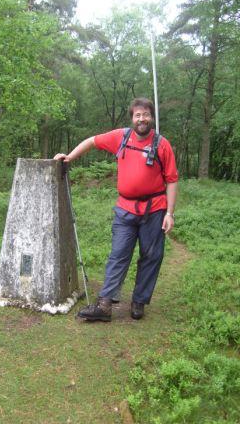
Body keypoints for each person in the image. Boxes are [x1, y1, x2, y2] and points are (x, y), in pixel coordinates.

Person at [54, 98, 178, 321]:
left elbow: (172, 180)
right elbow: (92, 141)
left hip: (155, 209)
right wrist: (70, 157)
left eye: (146, 115)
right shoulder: (121, 137)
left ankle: (139, 301)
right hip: (125, 209)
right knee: (118, 255)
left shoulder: (163, 145)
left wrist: (169, 213)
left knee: (151, 256)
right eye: (137, 115)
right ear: (132, 118)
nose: (142, 119)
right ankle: (104, 305)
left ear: (152, 117)